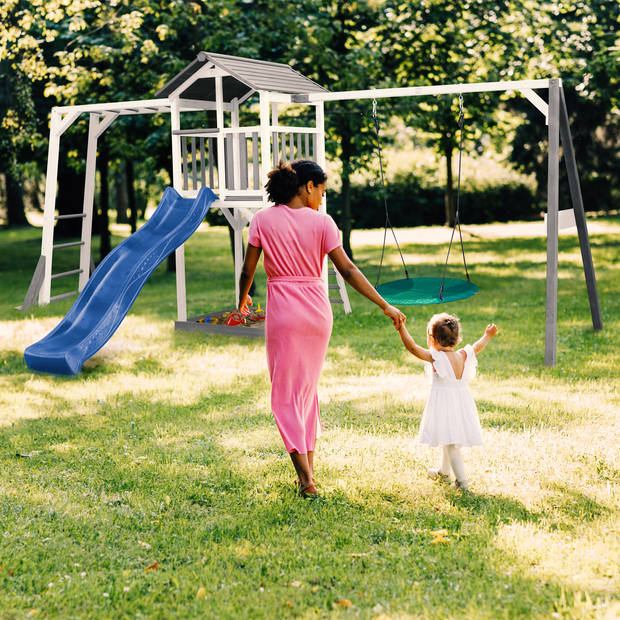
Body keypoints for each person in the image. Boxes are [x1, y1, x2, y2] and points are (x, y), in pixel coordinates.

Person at [238, 160, 406, 497]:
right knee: (305, 392)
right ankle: (308, 474)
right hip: (317, 313)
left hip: (284, 313)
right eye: (322, 192)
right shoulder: (323, 223)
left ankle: (306, 480)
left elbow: (248, 270)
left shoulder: (262, 220)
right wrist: (384, 303)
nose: (322, 199)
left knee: (285, 395)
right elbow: (347, 270)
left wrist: (241, 301)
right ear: (308, 186)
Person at [397, 312, 498, 490]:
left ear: (432, 338)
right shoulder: (463, 355)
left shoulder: (436, 357)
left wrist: (401, 328)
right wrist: (487, 336)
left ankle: (462, 482)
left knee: (451, 443)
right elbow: (477, 346)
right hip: (461, 403)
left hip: (445, 405)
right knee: (447, 437)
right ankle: (444, 472)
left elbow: (412, 347)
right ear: (457, 339)